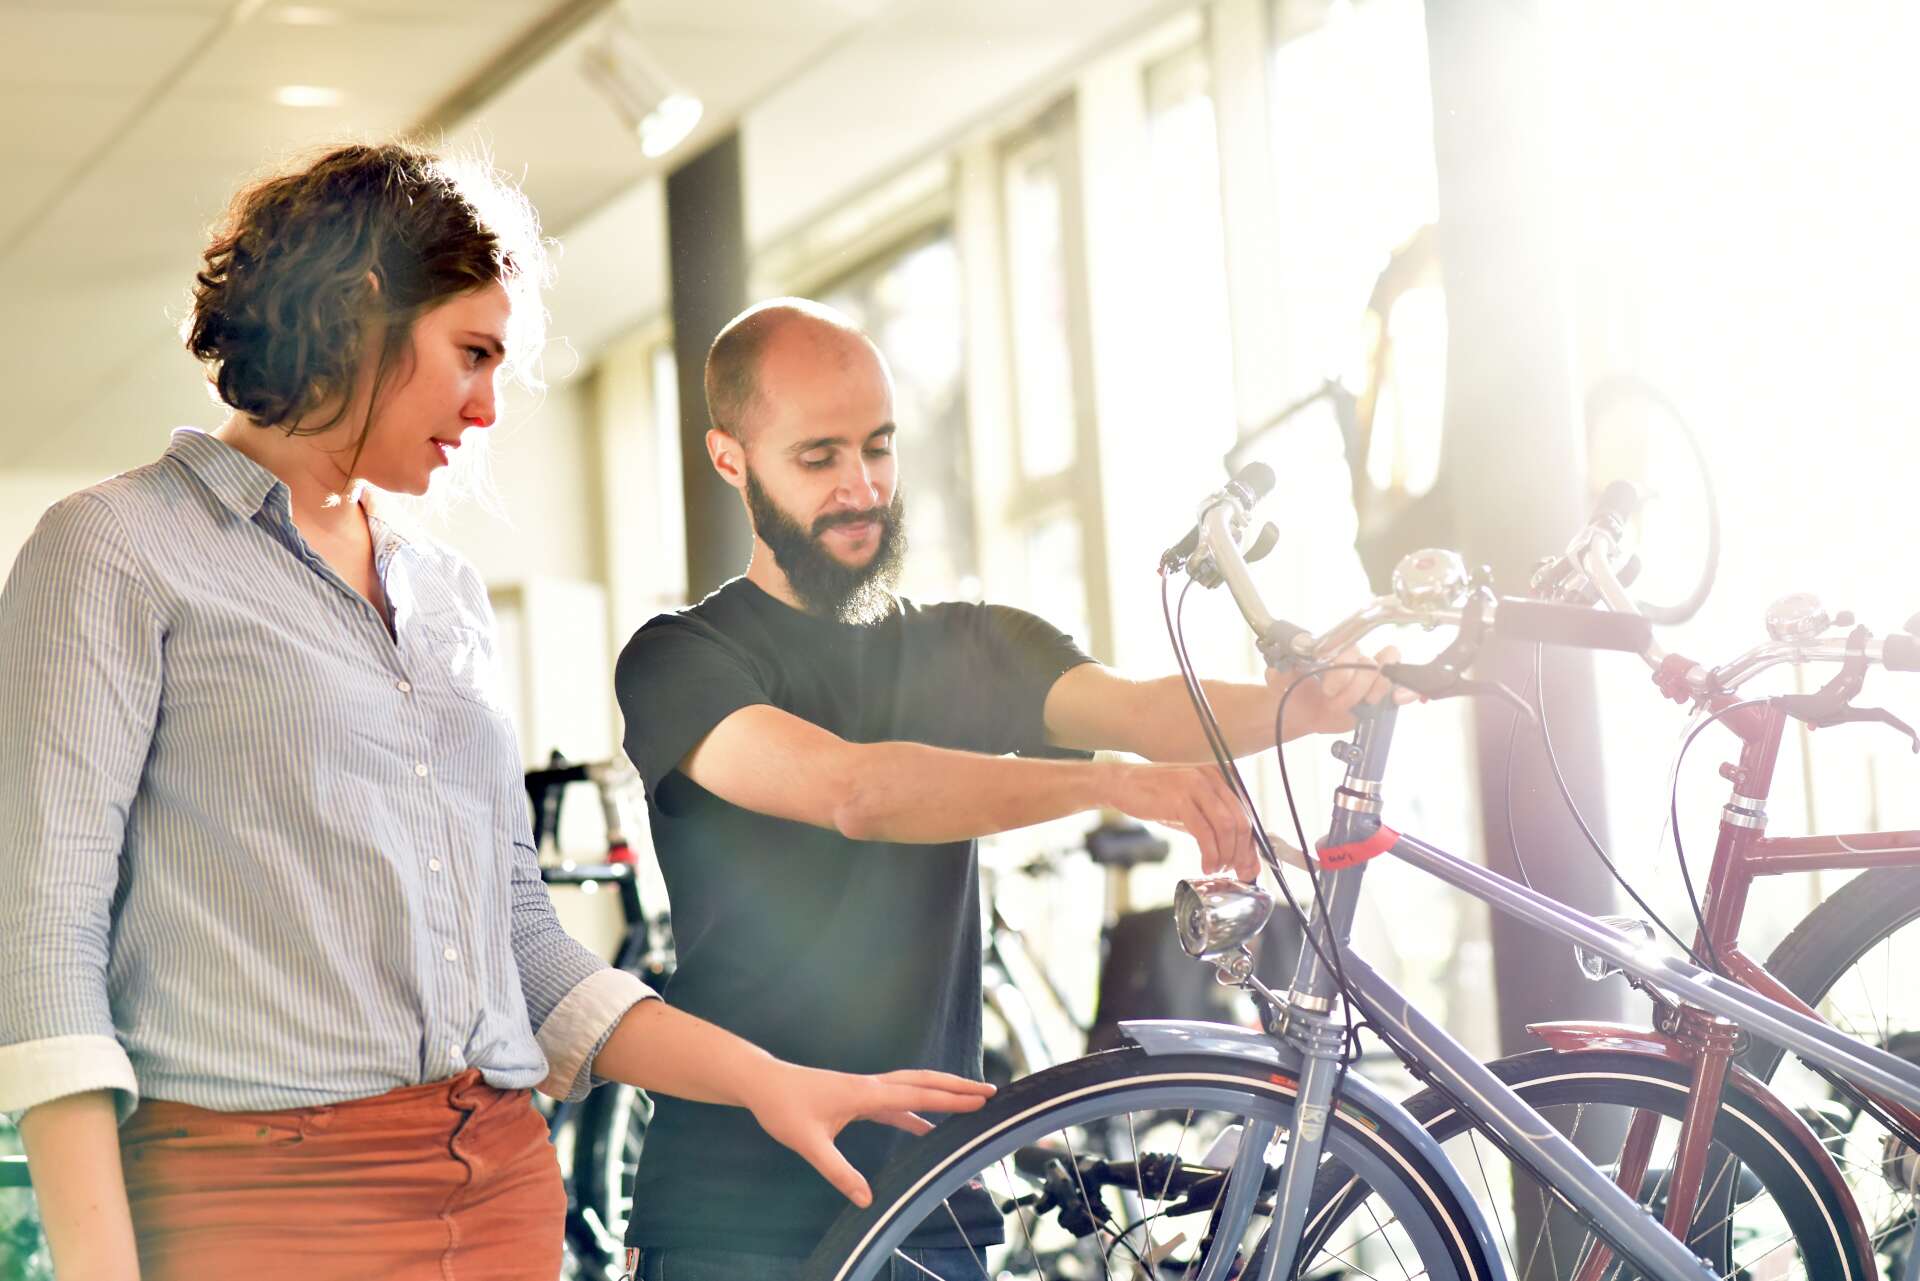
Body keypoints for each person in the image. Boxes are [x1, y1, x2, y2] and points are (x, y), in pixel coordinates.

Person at [0, 148, 991, 1281]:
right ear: (360, 308)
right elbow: (41, 941)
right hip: (264, 1197)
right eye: (471, 354)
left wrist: (770, 1082)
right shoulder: (118, 552)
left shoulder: (442, 593)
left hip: (503, 1182)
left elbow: (523, 943)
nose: (486, 408)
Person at [613, 298, 1401, 1279]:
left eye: (879, 448)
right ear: (730, 459)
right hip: (735, 1217)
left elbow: (1143, 707)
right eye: (819, 458)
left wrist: (1308, 702)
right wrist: (1108, 785)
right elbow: (854, 793)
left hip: (933, 1196)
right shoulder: (680, 659)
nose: (862, 488)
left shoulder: (970, 645)